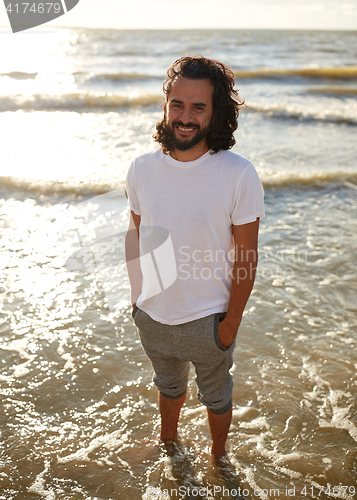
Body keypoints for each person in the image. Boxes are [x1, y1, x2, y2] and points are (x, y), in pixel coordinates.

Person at [125, 56, 265, 462]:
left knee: (217, 397)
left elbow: (246, 255)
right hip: (153, 315)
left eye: (198, 107)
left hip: (210, 320)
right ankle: (169, 446)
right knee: (167, 387)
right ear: (166, 105)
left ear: (216, 112)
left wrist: (231, 323)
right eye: (177, 104)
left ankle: (218, 458)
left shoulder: (237, 173)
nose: (185, 117)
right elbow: (137, 235)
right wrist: (137, 301)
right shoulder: (141, 169)